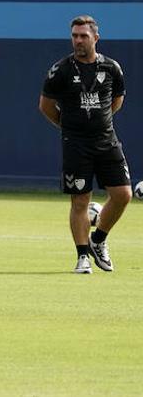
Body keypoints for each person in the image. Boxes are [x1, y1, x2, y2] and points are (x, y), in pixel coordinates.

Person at [40, 15, 130, 275]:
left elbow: (117, 100)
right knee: (80, 200)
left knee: (123, 194)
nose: (78, 41)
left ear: (95, 38)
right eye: (75, 36)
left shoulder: (112, 68)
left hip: (106, 140)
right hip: (76, 144)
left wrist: (100, 121)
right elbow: (45, 106)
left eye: (83, 36)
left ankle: (98, 240)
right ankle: (82, 257)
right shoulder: (61, 70)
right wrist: (69, 126)